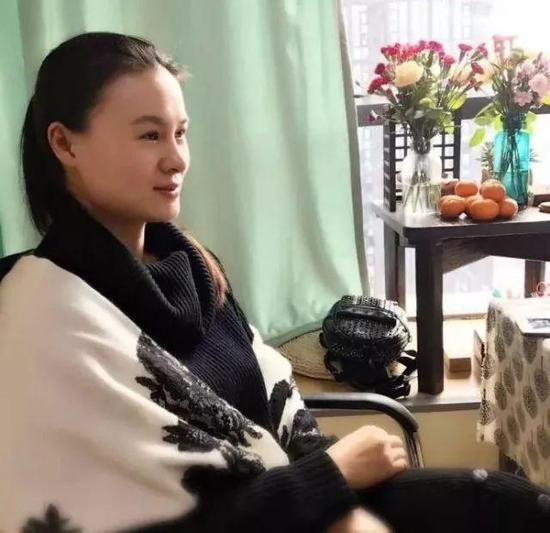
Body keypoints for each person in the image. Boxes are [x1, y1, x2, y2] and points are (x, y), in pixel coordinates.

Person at [0, 32, 548, 533]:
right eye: (149, 135)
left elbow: (275, 428)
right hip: (271, 512)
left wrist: (336, 491)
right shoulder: (38, 315)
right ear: (65, 145)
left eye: (180, 133)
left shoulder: (193, 268)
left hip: (291, 502)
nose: (176, 159)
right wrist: (331, 477)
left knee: (508, 504)